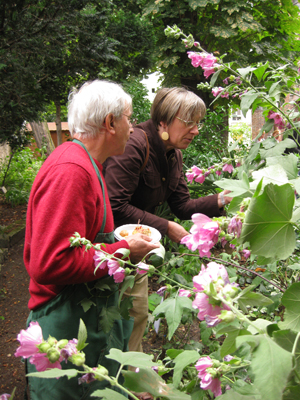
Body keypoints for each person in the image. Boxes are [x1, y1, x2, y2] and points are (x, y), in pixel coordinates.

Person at [23, 80, 159, 400]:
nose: (133, 125)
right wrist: (123, 249)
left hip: (81, 323)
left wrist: (119, 241)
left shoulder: (88, 163)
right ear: (110, 123)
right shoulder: (71, 170)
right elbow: (50, 261)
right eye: (128, 117)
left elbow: (83, 239)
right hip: (62, 326)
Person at [103, 87, 232, 355]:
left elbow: (182, 205)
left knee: (135, 315)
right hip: (108, 249)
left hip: (136, 249)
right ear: (164, 120)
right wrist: (166, 227)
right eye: (189, 122)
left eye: (199, 123)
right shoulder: (134, 145)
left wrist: (222, 200)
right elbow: (114, 206)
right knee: (115, 318)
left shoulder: (173, 153)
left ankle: (131, 376)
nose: (196, 130)